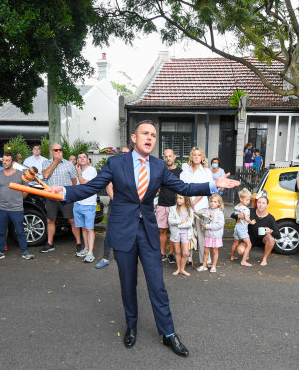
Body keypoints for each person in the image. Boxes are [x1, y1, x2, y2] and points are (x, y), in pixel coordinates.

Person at [49, 120, 239, 356]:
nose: (150, 137)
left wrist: (213, 185)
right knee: (128, 284)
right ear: (134, 137)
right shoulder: (116, 163)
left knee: (157, 285)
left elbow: (183, 186)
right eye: (145, 133)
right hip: (123, 230)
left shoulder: (159, 167)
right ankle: (131, 326)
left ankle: (168, 333)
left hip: (148, 232)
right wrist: (65, 191)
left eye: (153, 135)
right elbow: (94, 186)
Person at [0, 153, 35, 261]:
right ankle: (0, 252)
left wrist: (19, 199)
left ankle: (25, 251)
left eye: (8, 160)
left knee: (20, 231)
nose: (5, 162)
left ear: (12, 162)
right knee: (1, 231)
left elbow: (26, 190)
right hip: (2, 208)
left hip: (17, 208)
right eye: (4, 160)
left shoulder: (21, 174)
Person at [41, 143, 81, 254]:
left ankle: (78, 243)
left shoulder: (69, 164)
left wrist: (71, 196)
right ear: (51, 151)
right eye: (56, 150)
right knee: (50, 220)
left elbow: (74, 182)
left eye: (60, 150)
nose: (58, 152)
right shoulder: (46, 163)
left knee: (72, 220)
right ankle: (50, 244)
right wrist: (56, 162)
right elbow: (45, 175)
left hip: (65, 198)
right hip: (51, 197)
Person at [96, 145, 132, 269]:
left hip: (130, 205)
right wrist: (118, 202)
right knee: (110, 230)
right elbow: (109, 187)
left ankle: (126, 257)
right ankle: (105, 257)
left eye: (126, 152)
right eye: (121, 152)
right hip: (116, 203)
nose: (123, 154)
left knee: (128, 231)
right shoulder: (115, 166)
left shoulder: (134, 168)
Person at [180, 147, 214, 265]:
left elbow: (207, 189)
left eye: (199, 155)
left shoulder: (206, 172)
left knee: (202, 235)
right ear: (191, 157)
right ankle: (188, 258)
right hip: (187, 207)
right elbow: (182, 189)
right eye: (194, 155)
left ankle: (205, 260)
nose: (196, 157)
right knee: (188, 233)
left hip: (201, 207)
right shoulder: (185, 172)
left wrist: (194, 202)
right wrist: (188, 204)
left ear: (202, 157)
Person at [232, 195, 280, 266]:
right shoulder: (249, 211)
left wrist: (271, 231)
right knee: (240, 250)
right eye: (259, 202)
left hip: (262, 240)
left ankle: (264, 259)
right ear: (256, 204)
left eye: (263, 203)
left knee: (271, 239)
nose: (261, 205)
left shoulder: (270, 218)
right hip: (249, 239)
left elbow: (278, 235)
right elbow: (233, 215)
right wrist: (237, 216)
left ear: (267, 205)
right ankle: (246, 254)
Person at [156, 149, 181, 264]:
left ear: (174, 157)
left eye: (170, 156)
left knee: (174, 231)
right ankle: (162, 253)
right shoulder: (161, 171)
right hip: (162, 204)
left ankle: (171, 253)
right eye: (166, 156)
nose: (168, 158)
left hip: (174, 205)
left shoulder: (180, 172)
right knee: (162, 230)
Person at [74, 152, 98, 263]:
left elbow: (83, 183)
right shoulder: (79, 170)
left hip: (89, 204)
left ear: (88, 160)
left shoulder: (92, 170)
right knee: (83, 228)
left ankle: (91, 253)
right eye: (80, 157)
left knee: (89, 229)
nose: (82, 159)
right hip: (78, 203)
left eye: (84, 157)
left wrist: (78, 173)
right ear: (77, 160)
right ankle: (86, 248)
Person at [198, 194, 225, 273]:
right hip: (208, 235)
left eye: (215, 202)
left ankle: (213, 266)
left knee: (215, 251)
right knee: (206, 251)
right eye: (211, 201)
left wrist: (208, 226)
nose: (212, 203)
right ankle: (204, 265)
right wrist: (209, 218)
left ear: (219, 203)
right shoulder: (207, 211)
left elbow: (219, 225)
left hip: (216, 236)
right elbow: (205, 222)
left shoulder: (220, 213)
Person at [169, 194, 194, 276]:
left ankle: (183, 269)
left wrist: (178, 225)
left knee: (186, 253)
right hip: (175, 232)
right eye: (177, 198)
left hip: (186, 232)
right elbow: (170, 221)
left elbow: (189, 223)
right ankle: (178, 268)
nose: (178, 200)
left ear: (185, 198)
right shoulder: (173, 208)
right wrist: (181, 221)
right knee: (177, 251)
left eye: (180, 198)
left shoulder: (190, 209)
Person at [230, 188, 256, 266]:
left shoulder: (237, 206)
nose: (248, 202)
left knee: (235, 242)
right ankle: (243, 261)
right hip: (242, 228)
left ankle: (232, 256)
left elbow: (234, 215)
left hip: (237, 226)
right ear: (241, 199)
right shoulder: (246, 209)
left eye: (249, 200)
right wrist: (252, 222)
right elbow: (247, 219)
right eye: (247, 200)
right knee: (249, 244)